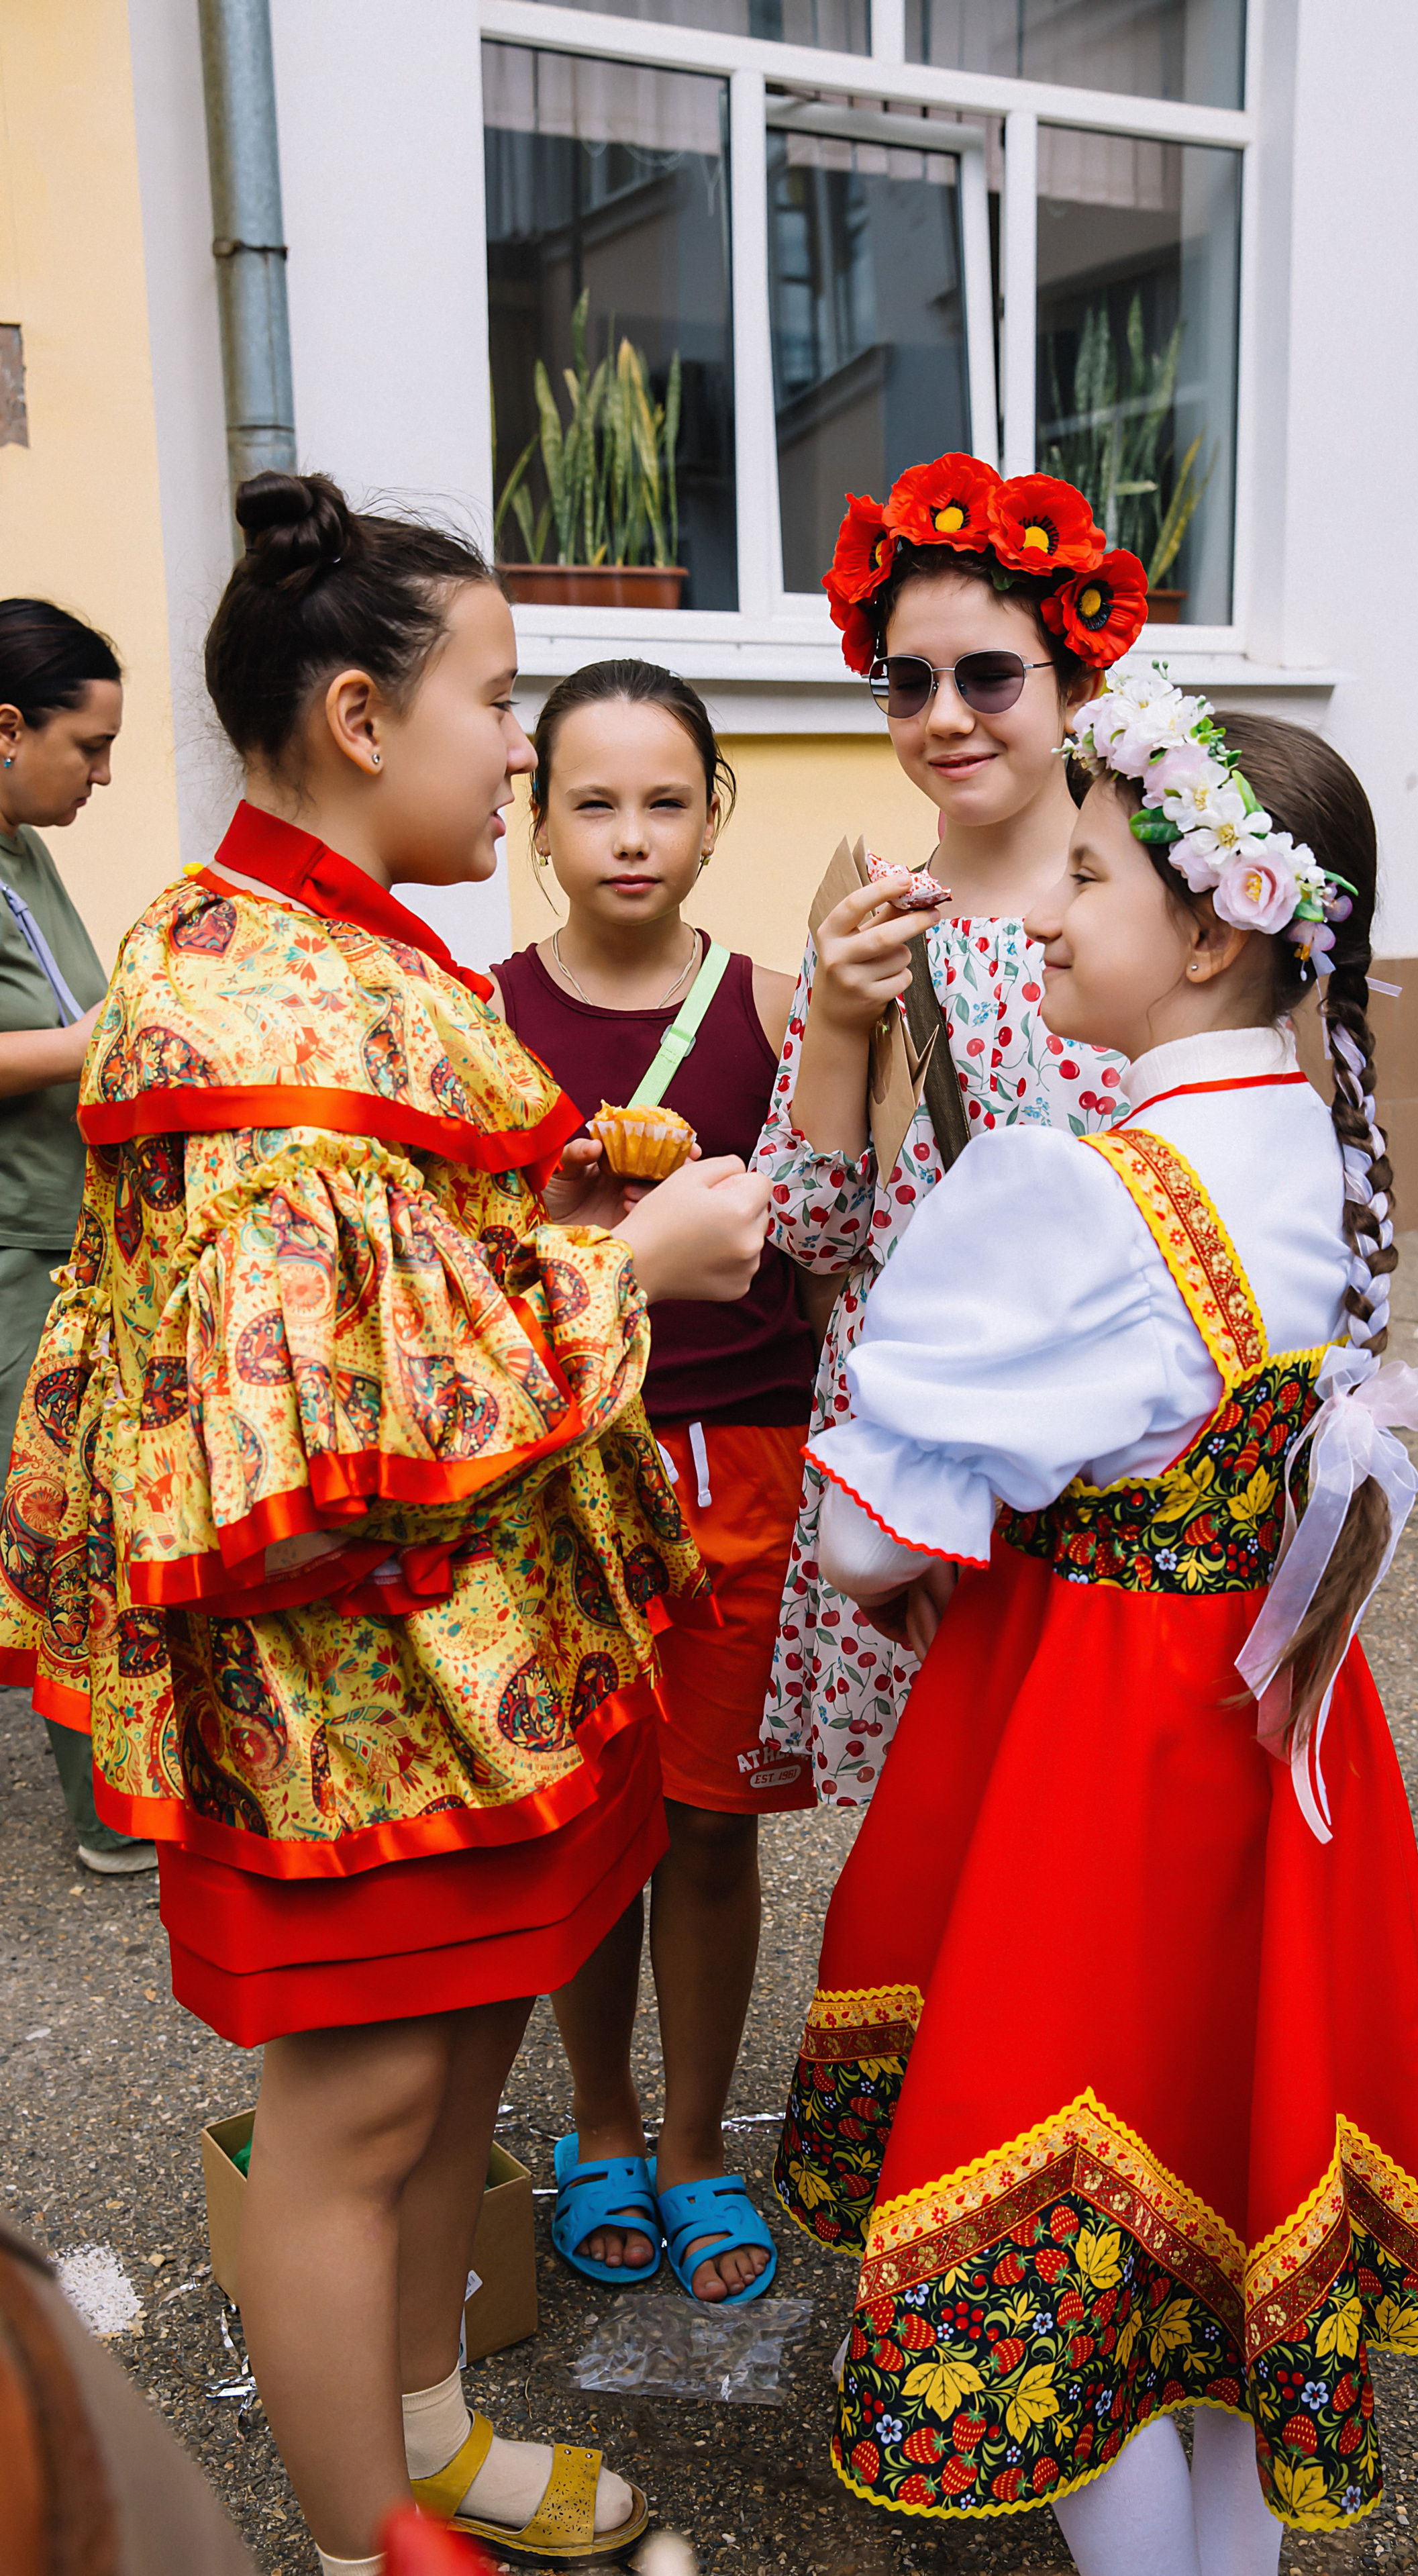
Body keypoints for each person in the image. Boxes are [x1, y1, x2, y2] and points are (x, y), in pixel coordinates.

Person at [0, 470, 770, 2576]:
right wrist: (639, 1266)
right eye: (497, 694)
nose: (520, 746)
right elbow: (321, 1406)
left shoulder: (325, 942)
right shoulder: (268, 1005)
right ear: (360, 716)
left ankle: (428, 2422)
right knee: (356, 2119)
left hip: (459, 1674)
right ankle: (364, 2540)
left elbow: (415, 1254)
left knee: (458, 2077)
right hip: (358, 1697)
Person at [772, 689, 1418, 2569]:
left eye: (1085, 871)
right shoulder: (1312, 1157)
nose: (1048, 909)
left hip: (1082, 1745)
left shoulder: (1072, 1193)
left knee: (1067, 2185)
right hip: (1264, 1737)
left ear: (1213, 928)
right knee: (1226, 2173)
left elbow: (860, 1542)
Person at [491, 660, 818, 2307]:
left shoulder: (777, 1013)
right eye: (592, 800)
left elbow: (832, 1249)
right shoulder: (474, 1019)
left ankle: (695, 2140)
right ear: (534, 817)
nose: (631, 834)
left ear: (712, 814)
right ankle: (598, 2124)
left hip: (742, 1464)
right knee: (588, 1822)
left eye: (666, 800)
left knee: (705, 1828)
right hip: (563, 1475)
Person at [752, 454, 1148, 1804]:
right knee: (936, 1838)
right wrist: (842, 1018)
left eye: (988, 675)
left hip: (1105, 1455)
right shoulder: (867, 922)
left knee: (1091, 1831)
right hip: (912, 1454)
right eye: (907, 681)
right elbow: (806, 1226)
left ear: (1074, 684)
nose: (944, 717)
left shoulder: (1144, 913)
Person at [0, 597, 153, 1877]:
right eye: (87, 747)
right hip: (11, 1249)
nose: (102, 775)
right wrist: (134, 1036)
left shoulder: (23, 847)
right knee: (58, 1532)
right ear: (8, 728)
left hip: (63, 1234)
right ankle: (110, 1809)